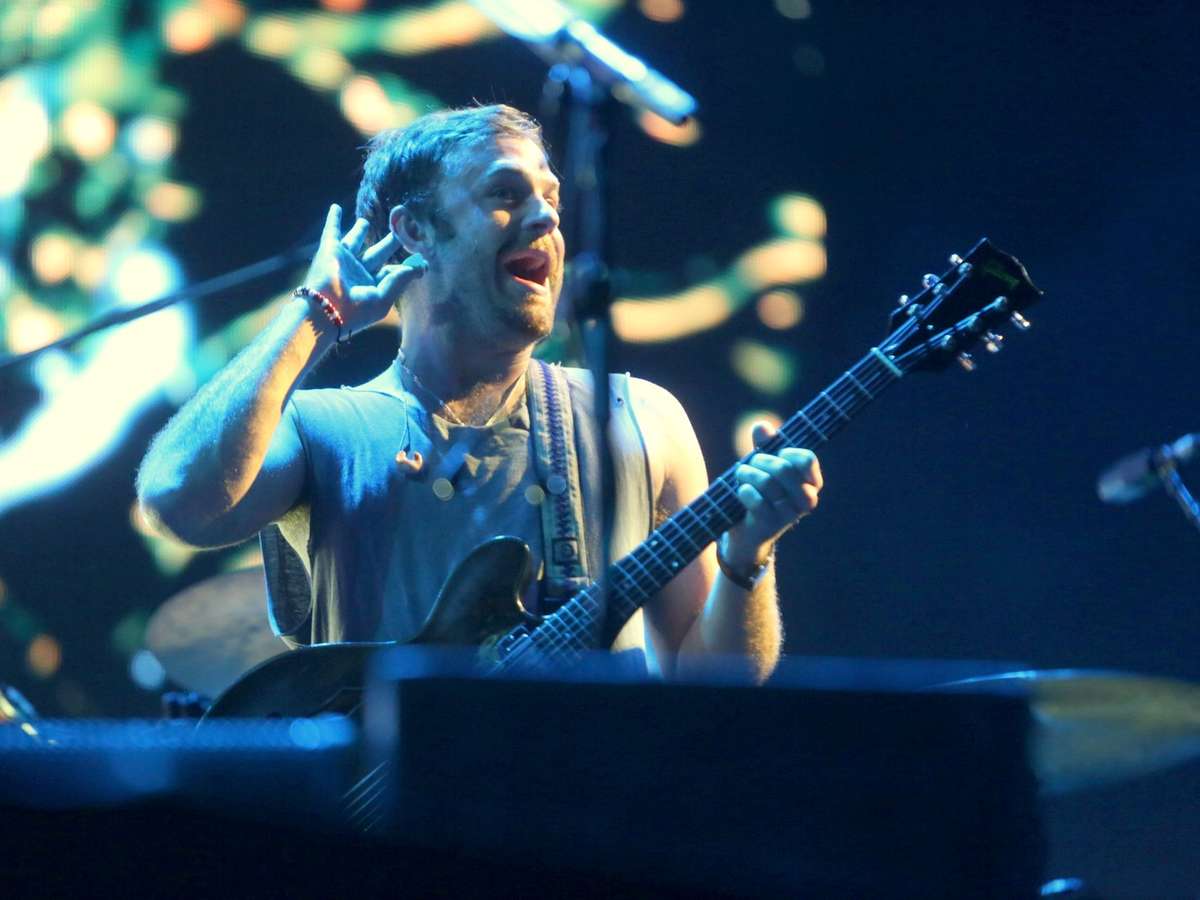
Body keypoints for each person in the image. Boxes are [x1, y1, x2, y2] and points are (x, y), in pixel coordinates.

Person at [136, 104, 822, 683]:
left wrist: (747, 559)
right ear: (414, 231)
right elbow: (177, 502)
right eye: (505, 195)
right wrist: (316, 315)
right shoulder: (321, 430)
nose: (546, 219)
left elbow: (714, 685)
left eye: (551, 198)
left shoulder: (640, 418)